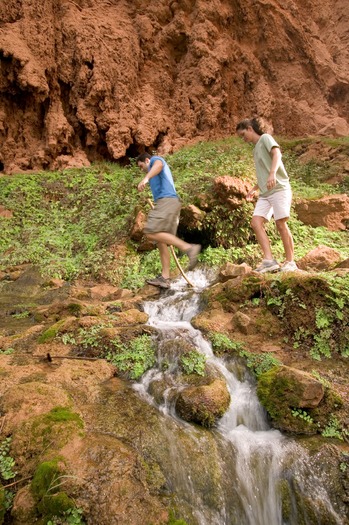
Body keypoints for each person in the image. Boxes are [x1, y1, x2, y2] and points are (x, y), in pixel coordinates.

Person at [236, 118, 298, 273]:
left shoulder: (265, 138)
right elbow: (263, 171)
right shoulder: (256, 148)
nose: (243, 139)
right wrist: (255, 188)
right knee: (256, 223)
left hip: (279, 188)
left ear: (250, 129)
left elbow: (277, 153)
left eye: (243, 134)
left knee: (280, 223)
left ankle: (290, 262)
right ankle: (269, 260)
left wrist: (272, 174)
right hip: (265, 193)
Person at [136, 152, 201, 288]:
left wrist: (146, 178)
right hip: (169, 203)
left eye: (142, 166)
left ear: (147, 160)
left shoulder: (155, 161)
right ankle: (165, 278)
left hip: (167, 201)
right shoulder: (154, 175)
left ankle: (189, 248)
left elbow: (159, 165)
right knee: (161, 240)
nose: (142, 170)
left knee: (150, 232)